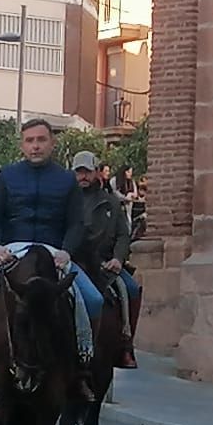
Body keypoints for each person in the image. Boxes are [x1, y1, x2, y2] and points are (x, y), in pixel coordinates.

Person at [0, 118, 96, 364]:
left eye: (41, 140)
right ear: (22, 146)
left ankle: (85, 366)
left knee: (94, 300)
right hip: (10, 251)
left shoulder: (67, 180)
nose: (35, 146)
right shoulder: (7, 176)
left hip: (54, 254)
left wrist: (66, 251)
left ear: (52, 144)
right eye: (29, 141)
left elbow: (76, 222)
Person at [72, 151, 140, 369]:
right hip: (76, 260)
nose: (83, 176)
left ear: (96, 173)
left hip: (107, 263)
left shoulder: (111, 203)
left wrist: (118, 259)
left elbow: (123, 234)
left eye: (87, 172)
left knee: (131, 289)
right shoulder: (68, 202)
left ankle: (125, 345)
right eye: (79, 172)